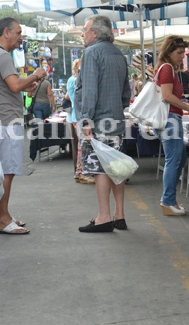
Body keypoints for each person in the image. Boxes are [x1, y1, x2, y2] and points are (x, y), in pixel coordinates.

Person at [0, 17, 47, 235]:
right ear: (6, 32)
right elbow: (14, 84)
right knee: (7, 172)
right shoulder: (1, 55)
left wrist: (27, 86)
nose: (21, 37)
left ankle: (6, 216)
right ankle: (2, 220)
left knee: (7, 171)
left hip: (2, 118)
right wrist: (35, 75)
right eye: (18, 32)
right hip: (7, 121)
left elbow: (10, 88)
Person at [75, 15, 131, 233]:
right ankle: (119, 214)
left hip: (98, 121)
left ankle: (103, 217)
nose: (83, 33)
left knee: (101, 169)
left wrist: (86, 119)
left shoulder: (91, 53)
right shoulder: (119, 55)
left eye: (86, 29)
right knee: (116, 165)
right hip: (116, 119)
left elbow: (89, 90)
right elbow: (126, 93)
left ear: (95, 33)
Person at [152, 36, 189, 216]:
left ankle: (169, 200)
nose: (182, 56)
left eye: (183, 53)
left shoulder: (166, 68)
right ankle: (168, 201)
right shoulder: (167, 68)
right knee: (174, 160)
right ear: (168, 52)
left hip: (171, 118)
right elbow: (167, 96)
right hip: (170, 119)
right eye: (179, 53)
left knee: (179, 159)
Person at [65, 59, 93, 184]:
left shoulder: (71, 80)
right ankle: (81, 172)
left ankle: (80, 171)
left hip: (76, 116)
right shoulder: (76, 80)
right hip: (80, 116)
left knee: (81, 145)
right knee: (83, 146)